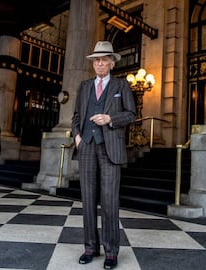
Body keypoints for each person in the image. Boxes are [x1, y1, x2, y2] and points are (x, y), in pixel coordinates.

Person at [71, 41, 136, 269]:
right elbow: (77, 115)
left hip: (111, 148)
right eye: (96, 60)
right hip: (86, 145)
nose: (99, 63)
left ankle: (111, 252)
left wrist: (110, 119)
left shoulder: (121, 85)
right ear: (93, 63)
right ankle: (90, 247)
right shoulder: (85, 86)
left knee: (109, 201)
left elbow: (131, 114)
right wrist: (77, 137)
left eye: (104, 60)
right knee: (87, 199)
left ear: (111, 63)